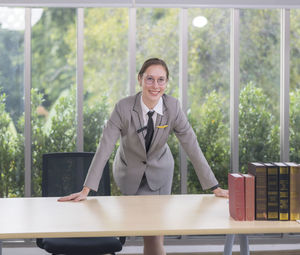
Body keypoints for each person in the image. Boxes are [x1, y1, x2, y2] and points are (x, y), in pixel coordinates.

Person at [59, 58, 229, 255]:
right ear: (140, 79)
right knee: (147, 232)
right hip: (129, 171)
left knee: (154, 235)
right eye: (149, 79)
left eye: (161, 80)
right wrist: (86, 189)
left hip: (160, 173)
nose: (155, 86)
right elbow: (105, 146)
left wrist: (214, 186)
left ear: (166, 82)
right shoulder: (123, 108)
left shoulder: (173, 107)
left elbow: (191, 145)